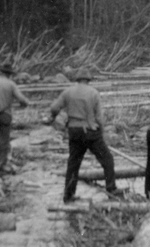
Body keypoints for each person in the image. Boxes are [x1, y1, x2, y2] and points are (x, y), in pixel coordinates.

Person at [45, 67, 121, 202]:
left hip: (74, 132)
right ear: (88, 80)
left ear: (77, 79)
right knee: (107, 160)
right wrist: (101, 133)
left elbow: (54, 107)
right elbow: (99, 118)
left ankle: (68, 195)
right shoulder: (93, 93)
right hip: (90, 132)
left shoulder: (68, 92)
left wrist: (52, 117)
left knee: (73, 163)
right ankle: (111, 189)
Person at [0, 64, 30, 173]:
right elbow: (21, 98)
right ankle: (0, 164)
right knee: (4, 140)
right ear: (9, 74)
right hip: (5, 115)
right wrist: (25, 103)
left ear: (0, 73)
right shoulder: (11, 84)